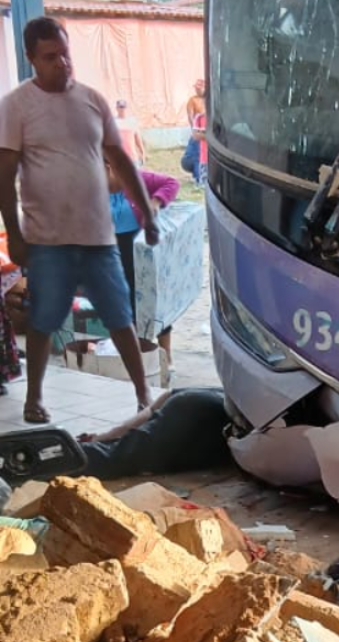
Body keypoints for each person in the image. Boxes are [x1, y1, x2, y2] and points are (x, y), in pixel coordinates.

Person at [0, 17, 160, 424]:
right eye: (50, 57)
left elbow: (122, 161)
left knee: (120, 317)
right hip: (47, 242)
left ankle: (144, 395)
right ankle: (34, 398)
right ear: (31, 58)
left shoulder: (92, 99)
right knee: (43, 320)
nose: (62, 63)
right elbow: (4, 175)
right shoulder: (17, 106)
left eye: (65, 54)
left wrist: (147, 213)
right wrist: (15, 236)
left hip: (98, 239)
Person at [107, 164, 180, 366]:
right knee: (125, 303)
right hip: (112, 250)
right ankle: (141, 357)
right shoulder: (91, 187)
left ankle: (166, 358)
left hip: (142, 248)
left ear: (108, 167)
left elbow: (171, 183)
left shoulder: (136, 177)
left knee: (153, 300)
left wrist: (155, 202)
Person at [76, 387, 234, 479]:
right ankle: (56, 454)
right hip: (203, 416)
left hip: (193, 399)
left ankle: (63, 449)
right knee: (113, 460)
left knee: (119, 451)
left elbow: (164, 398)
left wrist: (107, 435)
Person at [181, 79, 206, 184]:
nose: (197, 90)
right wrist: (195, 129)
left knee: (203, 156)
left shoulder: (209, 99)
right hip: (199, 130)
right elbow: (191, 116)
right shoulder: (192, 100)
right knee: (197, 155)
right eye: (196, 88)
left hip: (207, 129)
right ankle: (198, 177)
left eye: (199, 88)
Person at [114, 99, 147, 166]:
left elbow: (137, 139)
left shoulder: (132, 122)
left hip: (132, 158)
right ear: (117, 108)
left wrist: (142, 152)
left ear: (126, 108)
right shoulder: (113, 122)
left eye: (123, 107)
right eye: (120, 107)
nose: (122, 110)